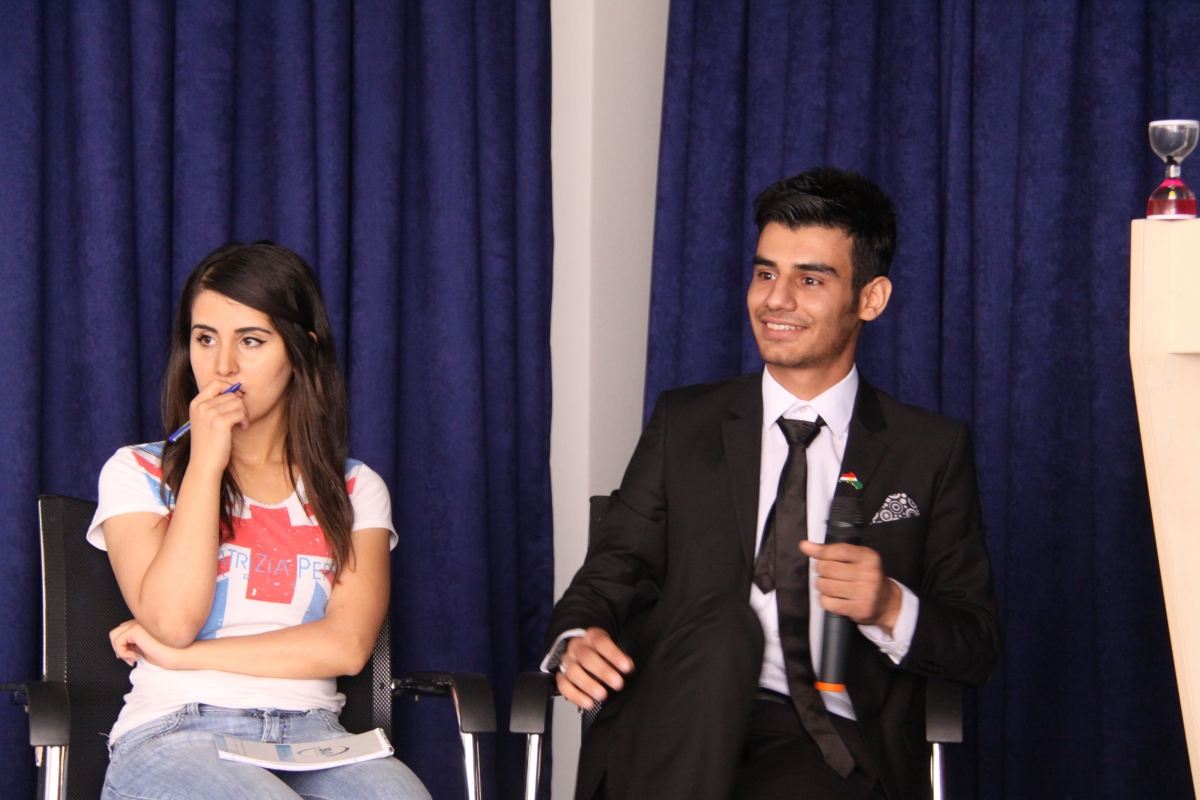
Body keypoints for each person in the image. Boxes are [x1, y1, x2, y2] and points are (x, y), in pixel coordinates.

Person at [545, 168, 1001, 800]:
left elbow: (975, 646)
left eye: (810, 279)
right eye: (765, 274)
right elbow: (610, 572)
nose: (776, 300)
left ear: (870, 298)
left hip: (819, 739)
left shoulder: (930, 450)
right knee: (725, 631)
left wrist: (889, 605)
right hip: (674, 719)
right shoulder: (685, 422)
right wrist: (575, 639)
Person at [87, 242, 430, 800]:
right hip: (177, 729)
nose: (222, 366)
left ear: (300, 351)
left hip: (315, 735)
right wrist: (206, 463)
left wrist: (183, 658)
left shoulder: (353, 488)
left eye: (250, 340)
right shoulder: (138, 471)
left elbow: (346, 646)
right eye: (205, 339)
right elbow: (172, 620)